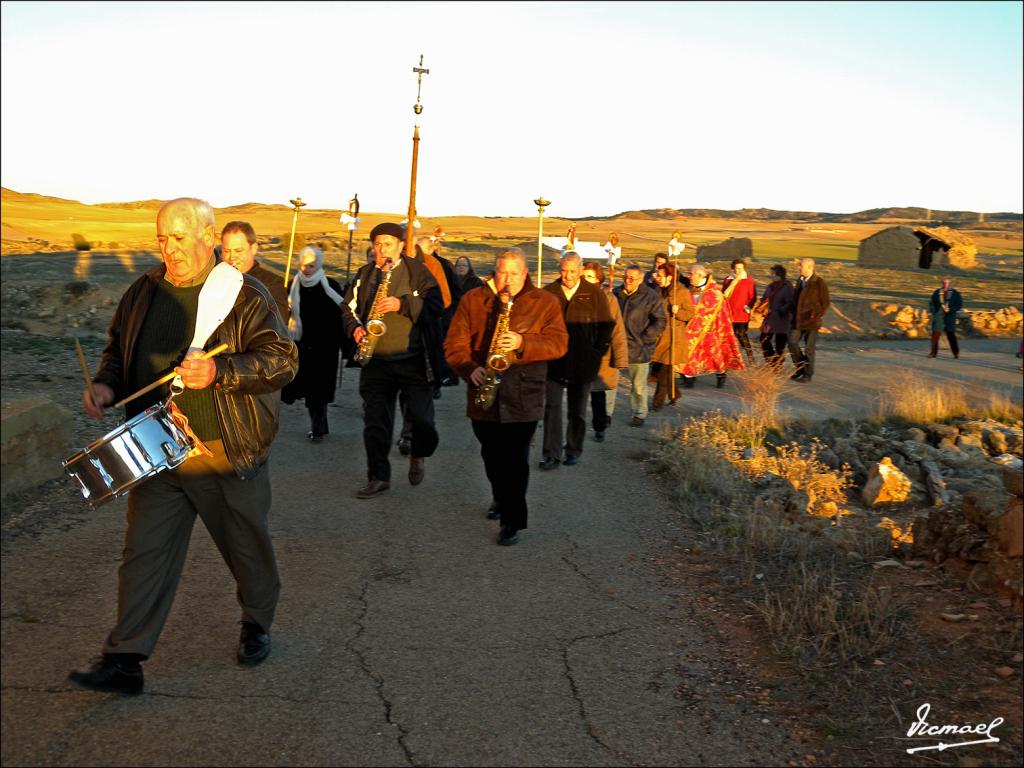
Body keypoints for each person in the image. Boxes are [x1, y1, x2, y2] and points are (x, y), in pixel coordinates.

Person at [69, 198, 298, 694]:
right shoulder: (143, 292)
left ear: (207, 236)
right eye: (161, 238)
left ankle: (256, 621)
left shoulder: (246, 294)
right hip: (155, 445)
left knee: (245, 545)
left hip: (222, 446)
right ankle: (125, 658)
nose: (168, 248)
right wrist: (107, 385)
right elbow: (118, 350)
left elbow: (282, 361)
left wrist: (222, 371)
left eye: (178, 238)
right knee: (144, 552)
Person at [444, 247, 568, 545]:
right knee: (491, 455)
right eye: (502, 273)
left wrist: (524, 342)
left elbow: (559, 344)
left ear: (524, 273)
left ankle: (512, 521)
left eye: (514, 273)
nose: (507, 280)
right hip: (483, 392)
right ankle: (500, 497)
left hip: (524, 393)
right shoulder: (474, 300)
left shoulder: (545, 302)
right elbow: (454, 342)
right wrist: (468, 368)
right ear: (494, 272)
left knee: (516, 459)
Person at [341, 222, 442, 498]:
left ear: (400, 246)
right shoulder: (365, 273)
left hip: (413, 360)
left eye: (387, 244)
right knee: (375, 423)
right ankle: (378, 477)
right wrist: (356, 329)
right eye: (377, 244)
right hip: (376, 361)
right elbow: (347, 309)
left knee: (422, 419)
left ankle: (418, 453)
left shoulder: (417, 272)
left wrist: (403, 304)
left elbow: (436, 306)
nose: (381, 249)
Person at [539, 252, 614, 469]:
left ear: (580, 270)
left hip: (583, 362)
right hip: (554, 361)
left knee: (577, 410)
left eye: (572, 271)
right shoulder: (549, 292)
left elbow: (607, 325)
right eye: (564, 270)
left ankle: (573, 448)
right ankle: (551, 453)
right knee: (551, 407)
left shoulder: (594, 294)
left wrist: (596, 353)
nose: (568, 275)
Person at [281, 246, 346, 442]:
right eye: (303, 265)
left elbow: (342, 314)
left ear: (318, 265)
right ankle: (318, 428)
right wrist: (287, 308)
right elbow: (286, 314)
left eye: (311, 265)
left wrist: (341, 342)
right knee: (308, 389)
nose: (306, 269)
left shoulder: (331, 286)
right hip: (301, 345)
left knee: (318, 393)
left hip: (324, 347)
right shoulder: (293, 285)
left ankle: (318, 429)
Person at [613, 264, 666, 427]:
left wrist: (646, 337)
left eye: (632, 278)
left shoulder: (651, 297)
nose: (627, 281)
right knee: (608, 383)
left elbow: (660, 321)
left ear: (641, 279)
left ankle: (639, 414)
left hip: (639, 347)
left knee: (638, 385)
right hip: (616, 346)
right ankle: (605, 414)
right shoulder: (615, 293)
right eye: (625, 277)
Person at [582, 261, 627, 443]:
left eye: (590, 277)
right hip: (578, 352)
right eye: (584, 276)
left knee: (597, 394)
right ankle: (574, 432)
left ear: (599, 279)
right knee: (577, 395)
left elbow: (617, 329)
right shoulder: (577, 296)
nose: (587, 280)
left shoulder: (609, 299)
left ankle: (599, 427)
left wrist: (621, 357)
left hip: (600, 353)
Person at [681, 263, 745, 388]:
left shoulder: (713, 292)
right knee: (689, 353)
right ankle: (689, 379)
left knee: (715, 356)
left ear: (700, 275)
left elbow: (719, 313)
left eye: (691, 274)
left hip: (711, 329)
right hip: (692, 327)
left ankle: (721, 375)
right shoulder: (690, 288)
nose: (689, 276)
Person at [220, 221, 289, 321]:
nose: (232, 257)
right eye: (226, 251)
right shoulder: (216, 280)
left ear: (254, 249)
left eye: (238, 250)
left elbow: (277, 328)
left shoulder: (272, 284)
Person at [651, 263, 695, 409]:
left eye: (660, 275)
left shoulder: (681, 292)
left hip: (674, 337)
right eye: (657, 274)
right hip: (660, 336)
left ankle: (657, 402)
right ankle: (674, 393)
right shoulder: (657, 290)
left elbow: (690, 313)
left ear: (669, 277)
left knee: (664, 370)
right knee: (663, 369)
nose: (657, 277)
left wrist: (678, 312)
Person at [788, 257, 830, 382]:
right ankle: (800, 368)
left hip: (812, 321)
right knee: (792, 342)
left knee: (809, 348)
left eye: (801, 266)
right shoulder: (800, 281)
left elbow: (825, 302)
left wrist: (816, 315)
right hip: (798, 320)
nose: (798, 268)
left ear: (810, 268)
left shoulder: (819, 282)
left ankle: (808, 374)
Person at [758, 264, 794, 370]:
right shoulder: (770, 286)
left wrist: (781, 311)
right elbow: (765, 298)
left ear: (780, 276)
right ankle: (772, 361)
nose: (771, 276)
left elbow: (790, 302)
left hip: (781, 319)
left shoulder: (787, 287)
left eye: (773, 274)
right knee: (763, 339)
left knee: (780, 344)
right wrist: (761, 304)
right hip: (770, 318)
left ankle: (777, 365)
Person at [722, 258, 757, 366]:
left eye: (741, 268)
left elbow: (753, 297)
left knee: (741, 334)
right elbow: (723, 294)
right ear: (733, 268)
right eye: (737, 268)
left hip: (742, 313)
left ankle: (750, 357)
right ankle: (733, 358)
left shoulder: (749, 281)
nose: (739, 271)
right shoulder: (728, 280)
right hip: (730, 312)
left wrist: (748, 307)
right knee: (731, 337)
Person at [927, 276, 963, 359]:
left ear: (950, 284)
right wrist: (934, 311)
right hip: (938, 317)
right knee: (935, 336)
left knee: (951, 335)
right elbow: (931, 303)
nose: (945, 284)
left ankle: (956, 353)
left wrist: (951, 309)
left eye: (947, 283)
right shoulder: (937, 292)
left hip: (949, 317)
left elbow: (959, 305)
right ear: (942, 283)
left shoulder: (955, 293)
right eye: (944, 283)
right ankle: (933, 353)